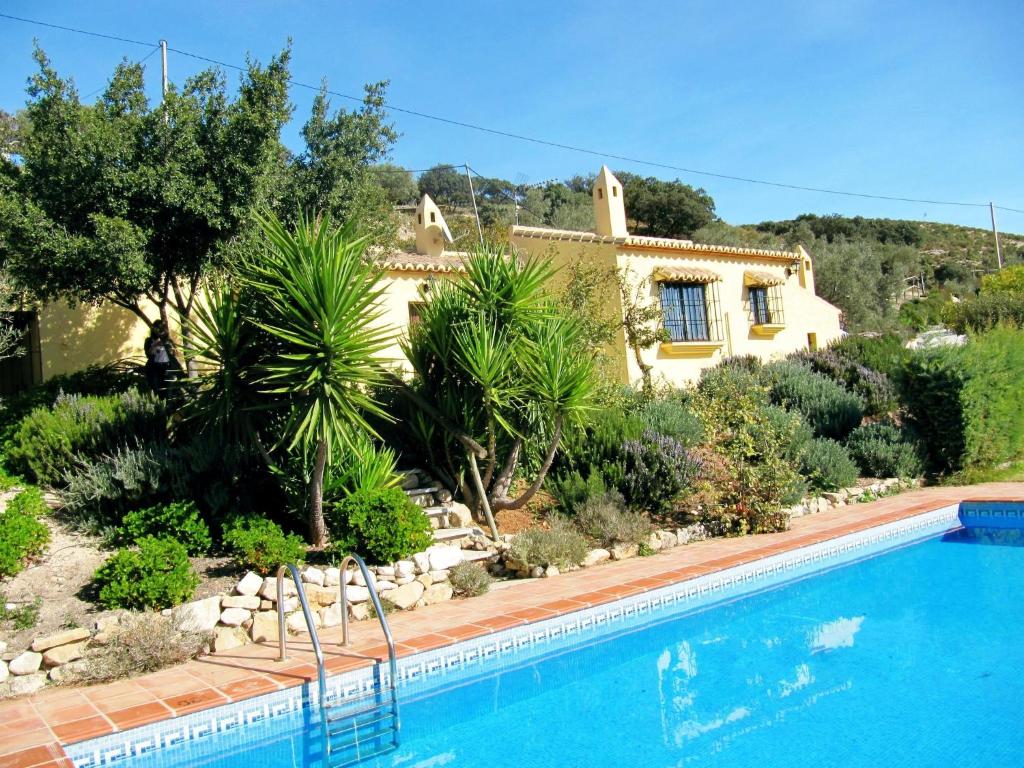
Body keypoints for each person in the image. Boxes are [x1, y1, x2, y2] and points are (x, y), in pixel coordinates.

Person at [144, 320, 174, 397]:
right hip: (154, 369)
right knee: (156, 390)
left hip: (167, 369)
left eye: (162, 329)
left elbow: (173, 354)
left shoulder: (168, 341)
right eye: (158, 329)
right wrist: (155, 345)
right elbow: (149, 354)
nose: (160, 331)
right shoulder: (149, 341)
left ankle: (168, 406)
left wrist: (170, 348)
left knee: (168, 391)